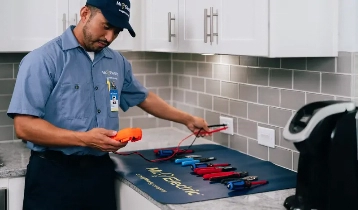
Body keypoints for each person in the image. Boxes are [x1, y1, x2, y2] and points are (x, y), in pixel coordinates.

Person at [6, 0, 210, 209]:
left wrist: (188, 119)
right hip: (52, 175)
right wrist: (85, 139)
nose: (110, 37)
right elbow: (24, 126)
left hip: (99, 173)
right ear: (85, 13)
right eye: (106, 26)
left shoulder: (117, 62)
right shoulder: (43, 59)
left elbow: (144, 98)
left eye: (117, 31)